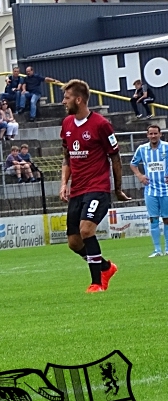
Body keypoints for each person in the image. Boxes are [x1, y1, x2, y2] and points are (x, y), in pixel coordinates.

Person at [59, 79, 128, 293]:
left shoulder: (101, 124)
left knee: (86, 230)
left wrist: (116, 188)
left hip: (97, 187)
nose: (63, 101)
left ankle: (96, 283)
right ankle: (106, 267)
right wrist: (64, 183)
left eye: (67, 98)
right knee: (74, 242)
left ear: (79, 100)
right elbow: (67, 156)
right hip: (77, 190)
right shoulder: (67, 124)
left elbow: (115, 157)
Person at [131, 124, 168, 257]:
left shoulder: (166, 147)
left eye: (155, 133)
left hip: (166, 189)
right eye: (150, 134)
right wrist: (140, 175)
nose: (153, 136)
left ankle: (167, 248)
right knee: (153, 219)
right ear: (147, 135)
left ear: (160, 134)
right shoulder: (142, 149)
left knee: (167, 219)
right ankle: (157, 250)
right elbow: (133, 164)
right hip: (150, 190)